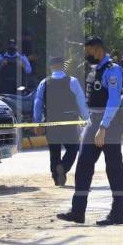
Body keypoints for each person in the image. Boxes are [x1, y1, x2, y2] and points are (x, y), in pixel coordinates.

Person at [57, 36, 123, 226]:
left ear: (98, 49)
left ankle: (118, 213)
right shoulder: (94, 69)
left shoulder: (113, 70)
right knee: (83, 165)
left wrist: (103, 127)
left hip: (110, 123)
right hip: (94, 121)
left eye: (88, 51)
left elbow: (114, 100)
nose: (86, 55)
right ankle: (77, 212)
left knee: (114, 167)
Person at [33, 55, 87, 187]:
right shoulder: (72, 81)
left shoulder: (44, 83)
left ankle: (56, 178)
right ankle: (63, 167)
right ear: (63, 66)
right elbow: (81, 102)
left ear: (51, 67)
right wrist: (87, 119)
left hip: (51, 122)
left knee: (54, 151)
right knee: (73, 148)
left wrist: (37, 123)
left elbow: (37, 104)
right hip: (69, 122)